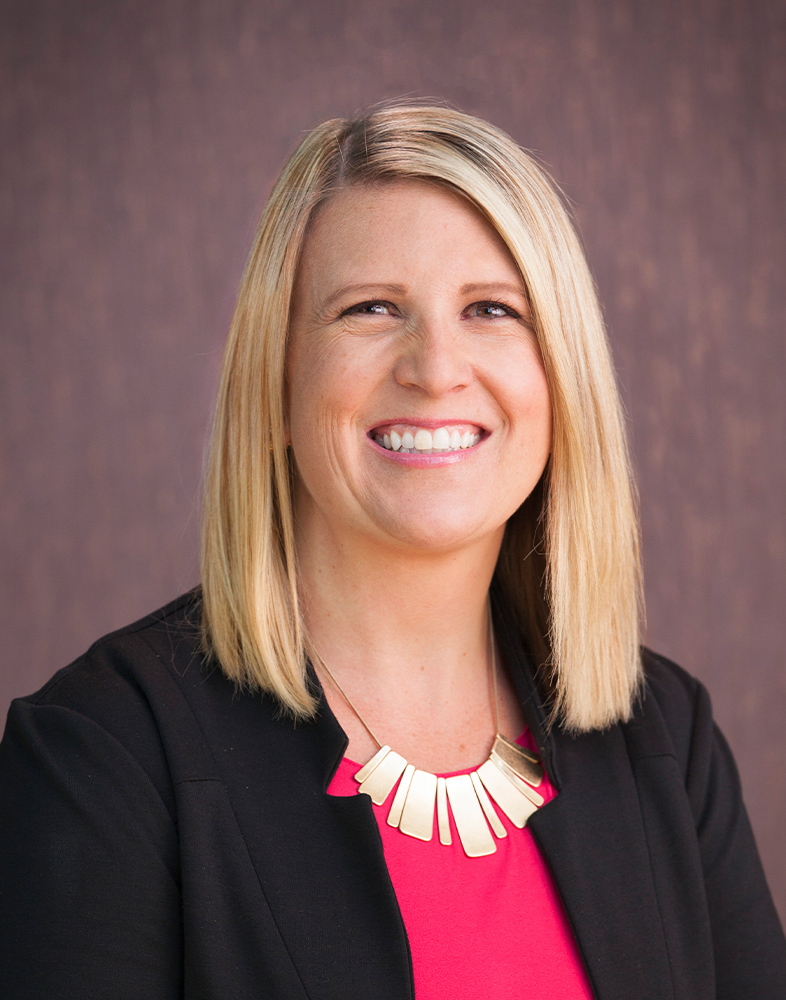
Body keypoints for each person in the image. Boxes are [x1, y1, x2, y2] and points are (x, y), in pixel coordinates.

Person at [1, 103, 784, 1000]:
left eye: (493, 309)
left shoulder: (666, 740)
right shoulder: (104, 752)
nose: (436, 367)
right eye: (370, 309)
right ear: (275, 384)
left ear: (562, 381)